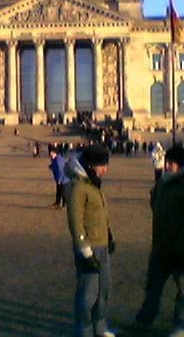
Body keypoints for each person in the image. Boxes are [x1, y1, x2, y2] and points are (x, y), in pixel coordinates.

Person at [133, 145, 184, 337]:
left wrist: (183, 244)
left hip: (180, 246)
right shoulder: (163, 182)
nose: (166, 166)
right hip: (160, 244)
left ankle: (182, 324)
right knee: (153, 285)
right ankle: (146, 318)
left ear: (181, 165)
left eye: (170, 163)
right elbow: (154, 202)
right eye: (166, 162)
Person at [65, 144, 116, 337]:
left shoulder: (93, 184)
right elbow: (75, 221)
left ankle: (100, 327)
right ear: (90, 165)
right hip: (89, 247)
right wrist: (84, 249)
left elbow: (101, 215)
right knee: (88, 294)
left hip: (102, 245)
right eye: (102, 165)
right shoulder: (78, 188)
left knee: (104, 290)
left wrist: (110, 236)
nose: (105, 170)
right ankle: (84, 330)